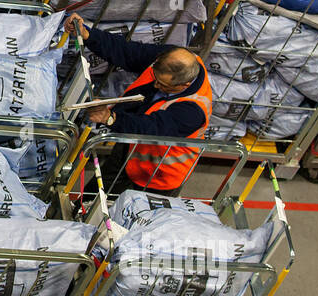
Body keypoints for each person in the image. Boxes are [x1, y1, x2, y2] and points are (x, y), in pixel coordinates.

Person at [64, 13, 213, 196]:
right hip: (130, 150)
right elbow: (129, 53)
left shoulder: (192, 111)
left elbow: (149, 127)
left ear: (184, 85)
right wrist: (89, 35)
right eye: (155, 79)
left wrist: (110, 118)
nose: (155, 85)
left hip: (158, 175)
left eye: (163, 85)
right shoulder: (174, 58)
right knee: (92, 198)